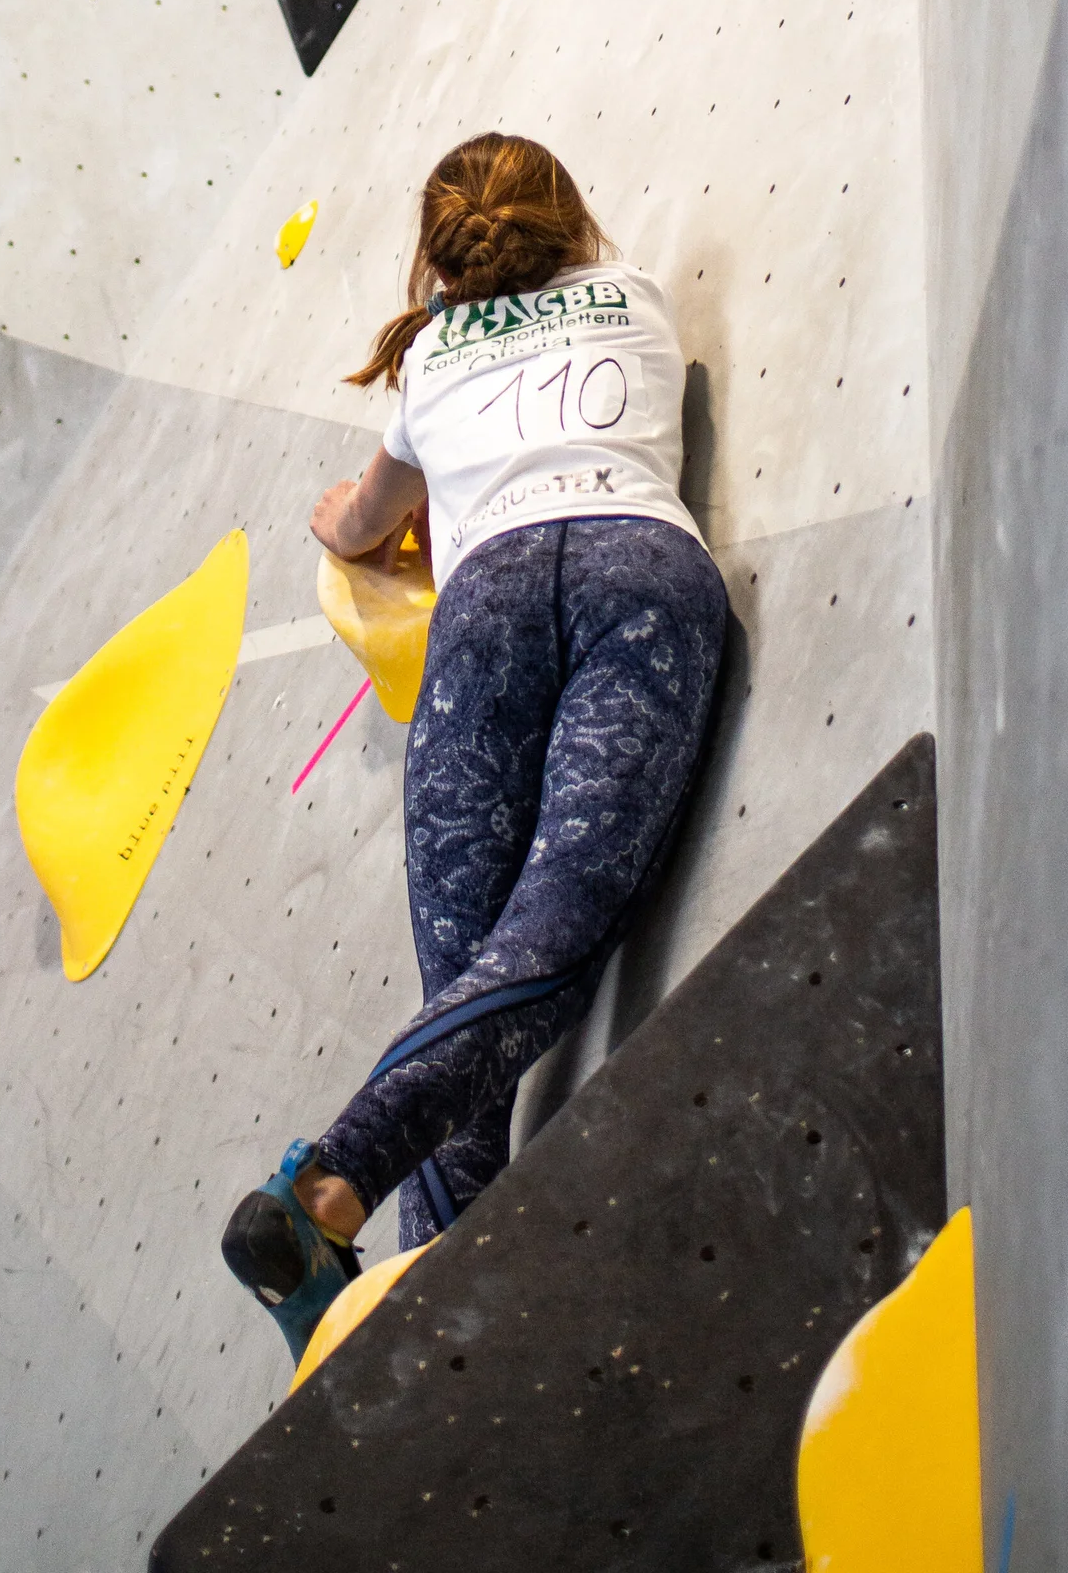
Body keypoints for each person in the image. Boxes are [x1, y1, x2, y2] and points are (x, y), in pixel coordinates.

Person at [221, 131, 729, 1365]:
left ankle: (425, 1335)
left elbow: (357, 529)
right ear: (573, 219)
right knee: (549, 935)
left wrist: (342, 520)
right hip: (638, 577)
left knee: (467, 981)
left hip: (488, 602)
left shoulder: (432, 361)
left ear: (437, 266)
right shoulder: (641, 298)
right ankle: (334, 1192)